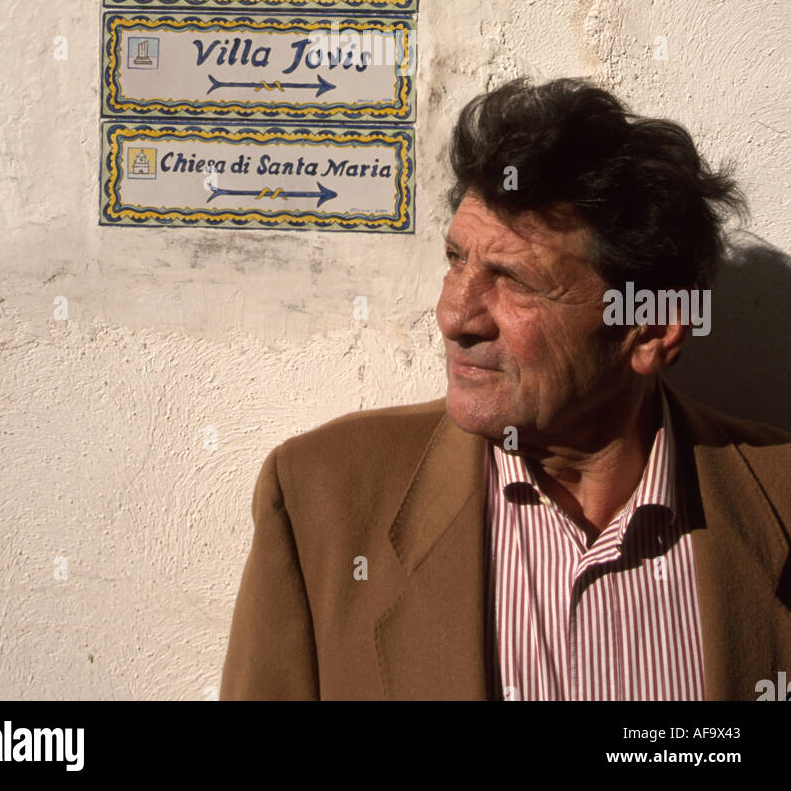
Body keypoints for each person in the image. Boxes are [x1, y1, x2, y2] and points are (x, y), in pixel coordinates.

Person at [219, 78, 791, 701]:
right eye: (456, 259)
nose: (455, 316)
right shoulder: (320, 499)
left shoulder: (778, 505)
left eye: (515, 281)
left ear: (650, 327)